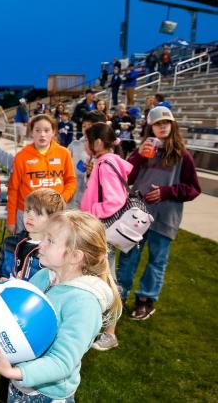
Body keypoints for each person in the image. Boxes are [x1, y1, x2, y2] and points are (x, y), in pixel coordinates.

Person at [0, 210, 122, 403]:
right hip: (20, 385)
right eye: (44, 238)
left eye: (50, 241)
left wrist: (17, 371)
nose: (41, 244)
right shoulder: (45, 276)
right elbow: (22, 311)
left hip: (47, 395)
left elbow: (63, 361)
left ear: (75, 256)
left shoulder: (84, 303)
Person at [118, 107, 201, 320]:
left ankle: (145, 300)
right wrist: (138, 156)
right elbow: (127, 177)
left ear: (172, 125)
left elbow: (193, 188)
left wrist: (166, 192)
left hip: (165, 217)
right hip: (138, 215)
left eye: (166, 122)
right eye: (157, 123)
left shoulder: (183, 155)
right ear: (150, 127)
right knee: (129, 256)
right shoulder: (144, 150)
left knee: (157, 260)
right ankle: (120, 294)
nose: (162, 126)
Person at [80, 122, 130, 351]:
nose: (85, 144)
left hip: (103, 231)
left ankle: (110, 333)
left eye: (87, 139)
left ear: (98, 142)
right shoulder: (105, 161)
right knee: (101, 277)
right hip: (102, 230)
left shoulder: (106, 163)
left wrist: (91, 213)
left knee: (107, 280)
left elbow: (114, 200)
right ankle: (101, 326)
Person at [7, 114, 77, 234]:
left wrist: (61, 199)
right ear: (31, 133)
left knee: (53, 250)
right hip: (27, 214)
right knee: (26, 251)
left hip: (55, 213)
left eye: (46, 130)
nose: (42, 134)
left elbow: (71, 181)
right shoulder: (21, 156)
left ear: (53, 132)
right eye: (38, 130)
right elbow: (13, 189)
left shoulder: (64, 153)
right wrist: (11, 220)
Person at [67, 111, 106, 209]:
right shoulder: (74, 145)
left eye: (90, 125)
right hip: (74, 194)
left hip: (94, 198)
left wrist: (95, 172)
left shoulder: (107, 149)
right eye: (84, 126)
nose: (87, 129)